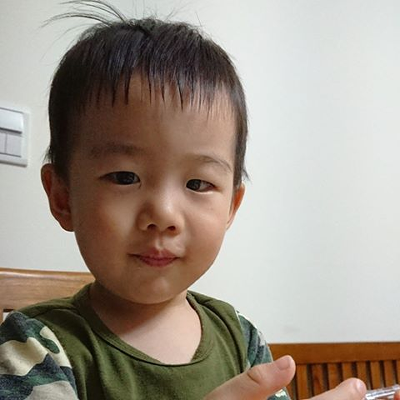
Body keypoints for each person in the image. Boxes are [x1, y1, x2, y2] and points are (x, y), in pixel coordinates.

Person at [0, 2, 368, 399]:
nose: (163, 214)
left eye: (197, 183)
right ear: (63, 197)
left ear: (231, 207)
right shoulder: (33, 348)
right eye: (125, 177)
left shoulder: (240, 336)